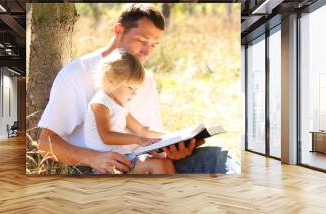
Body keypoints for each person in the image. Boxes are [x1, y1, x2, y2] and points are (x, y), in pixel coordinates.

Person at [37, 3, 240, 174]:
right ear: (118, 31)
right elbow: (46, 144)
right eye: (141, 41)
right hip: (103, 170)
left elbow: (148, 139)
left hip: (142, 164)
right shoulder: (77, 73)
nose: (146, 52)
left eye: (153, 45)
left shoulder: (145, 79)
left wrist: (176, 145)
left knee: (220, 158)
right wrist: (94, 159)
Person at [84, 48, 174, 174]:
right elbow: (106, 136)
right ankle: (162, 193)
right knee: (157, 165)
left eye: (136, 88)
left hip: (123, 158)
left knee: (165, 161)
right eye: (131, 87)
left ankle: (168, 193)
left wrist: (169, 136)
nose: (134, 93)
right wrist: (138, 140)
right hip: (108, 164)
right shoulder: (101, 103)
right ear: (111, 80)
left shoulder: (119, 106)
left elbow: (142, 130)